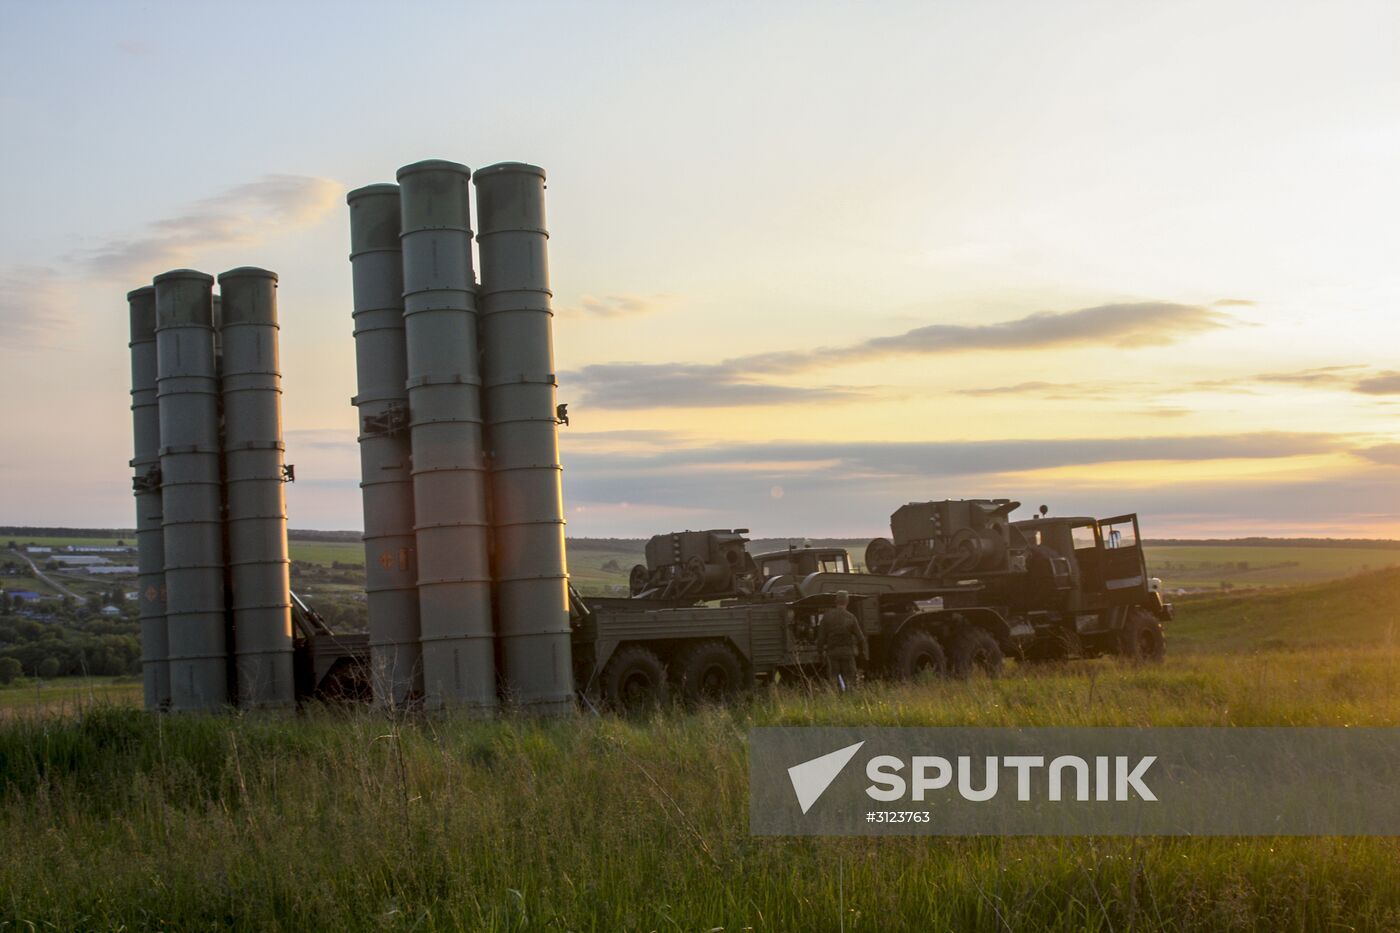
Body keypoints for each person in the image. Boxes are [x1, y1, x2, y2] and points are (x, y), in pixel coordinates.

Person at [815, 591, 868, 691]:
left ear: (835, 601)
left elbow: (821, 638)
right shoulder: (851, 617)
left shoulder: (827, 617)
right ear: (847, 602)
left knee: (833, 681)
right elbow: (861, 638)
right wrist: (863, 654)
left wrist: (820, 653)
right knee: (850, 681)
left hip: (832, 653)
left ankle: (836, 701)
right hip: (847, 653)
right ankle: (849, 701)